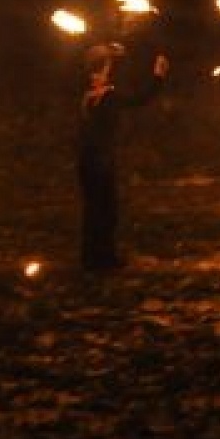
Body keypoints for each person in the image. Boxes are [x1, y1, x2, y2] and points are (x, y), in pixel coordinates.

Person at [77, 43, 170, 271]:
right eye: (107, 67)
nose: (109, 72)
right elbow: (140, 98)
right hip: (100, 160)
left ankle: (91, 258)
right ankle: (104, 259)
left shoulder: (89, 94)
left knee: (94, 209)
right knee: (105, 210)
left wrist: (111, 50)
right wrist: (158, 76)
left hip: (87, 160)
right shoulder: (106, 96)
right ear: (100, 71)